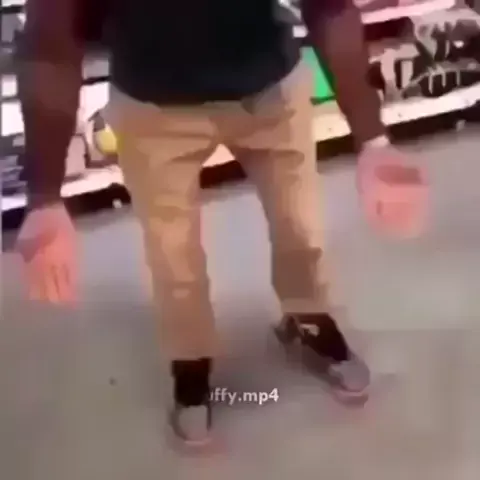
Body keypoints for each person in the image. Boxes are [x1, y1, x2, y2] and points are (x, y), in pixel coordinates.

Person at [16, 0, 426, 447]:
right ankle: (190, 361)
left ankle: (307, 320)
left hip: (271, 89)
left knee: (300, 225)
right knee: (173, 253)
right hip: (153, 109)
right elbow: (49, 45)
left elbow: (329, 7)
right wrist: (45, 197)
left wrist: (373, 139)